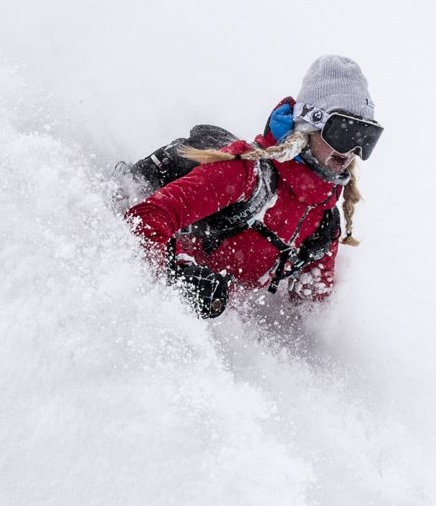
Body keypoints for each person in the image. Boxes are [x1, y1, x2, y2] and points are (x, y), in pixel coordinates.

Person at [124, 55, 382, 318]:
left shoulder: (323, 222)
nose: (352, 150)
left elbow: (309, 316)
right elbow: (144, 218)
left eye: (366, 138)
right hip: (150, 303)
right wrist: (178, 273)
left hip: (214, 328)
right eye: (345, 133)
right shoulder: (245, 174)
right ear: (309, 125)